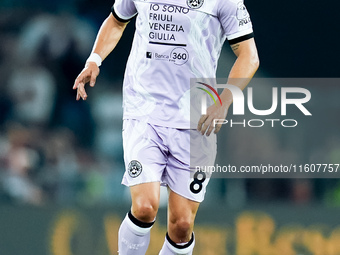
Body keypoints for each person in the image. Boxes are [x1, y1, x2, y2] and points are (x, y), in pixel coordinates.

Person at [73, 0, 259, 253]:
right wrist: (94, 60)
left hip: (196, 121)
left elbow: (249, 56)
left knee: (181, 225)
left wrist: (224, 102)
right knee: (145, 207)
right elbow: (116, 21)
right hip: (145, 111)